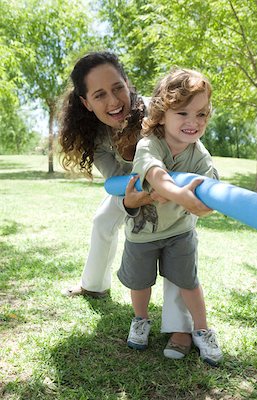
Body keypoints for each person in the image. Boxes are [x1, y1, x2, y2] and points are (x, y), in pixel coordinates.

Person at [58, 51, 212, 359]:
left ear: (128, 83)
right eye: (99, 95)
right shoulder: (95, 135)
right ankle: (94, 285)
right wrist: (135, 198)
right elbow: (116, 180)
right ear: (87, 103)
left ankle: (179, 327)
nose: (113, 101)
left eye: (117, 88)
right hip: (132, 189)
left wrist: (173, 187)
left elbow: (190, 135)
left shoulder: (158, 110)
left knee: (171, 238)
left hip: (170, 187)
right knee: (104, 219)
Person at [117, 68, 223, 366]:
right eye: (183, 113)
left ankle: (201, 330)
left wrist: (206, 201)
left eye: (201, 114)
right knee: (140, 282)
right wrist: (180, 195)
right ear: (162, 114)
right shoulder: (149, 143)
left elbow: (210, 184)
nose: (194, 122)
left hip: (180, 231)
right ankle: (140, 320)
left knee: (188, 281)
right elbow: (157, 176)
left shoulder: (198, 153)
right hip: (143, 232)